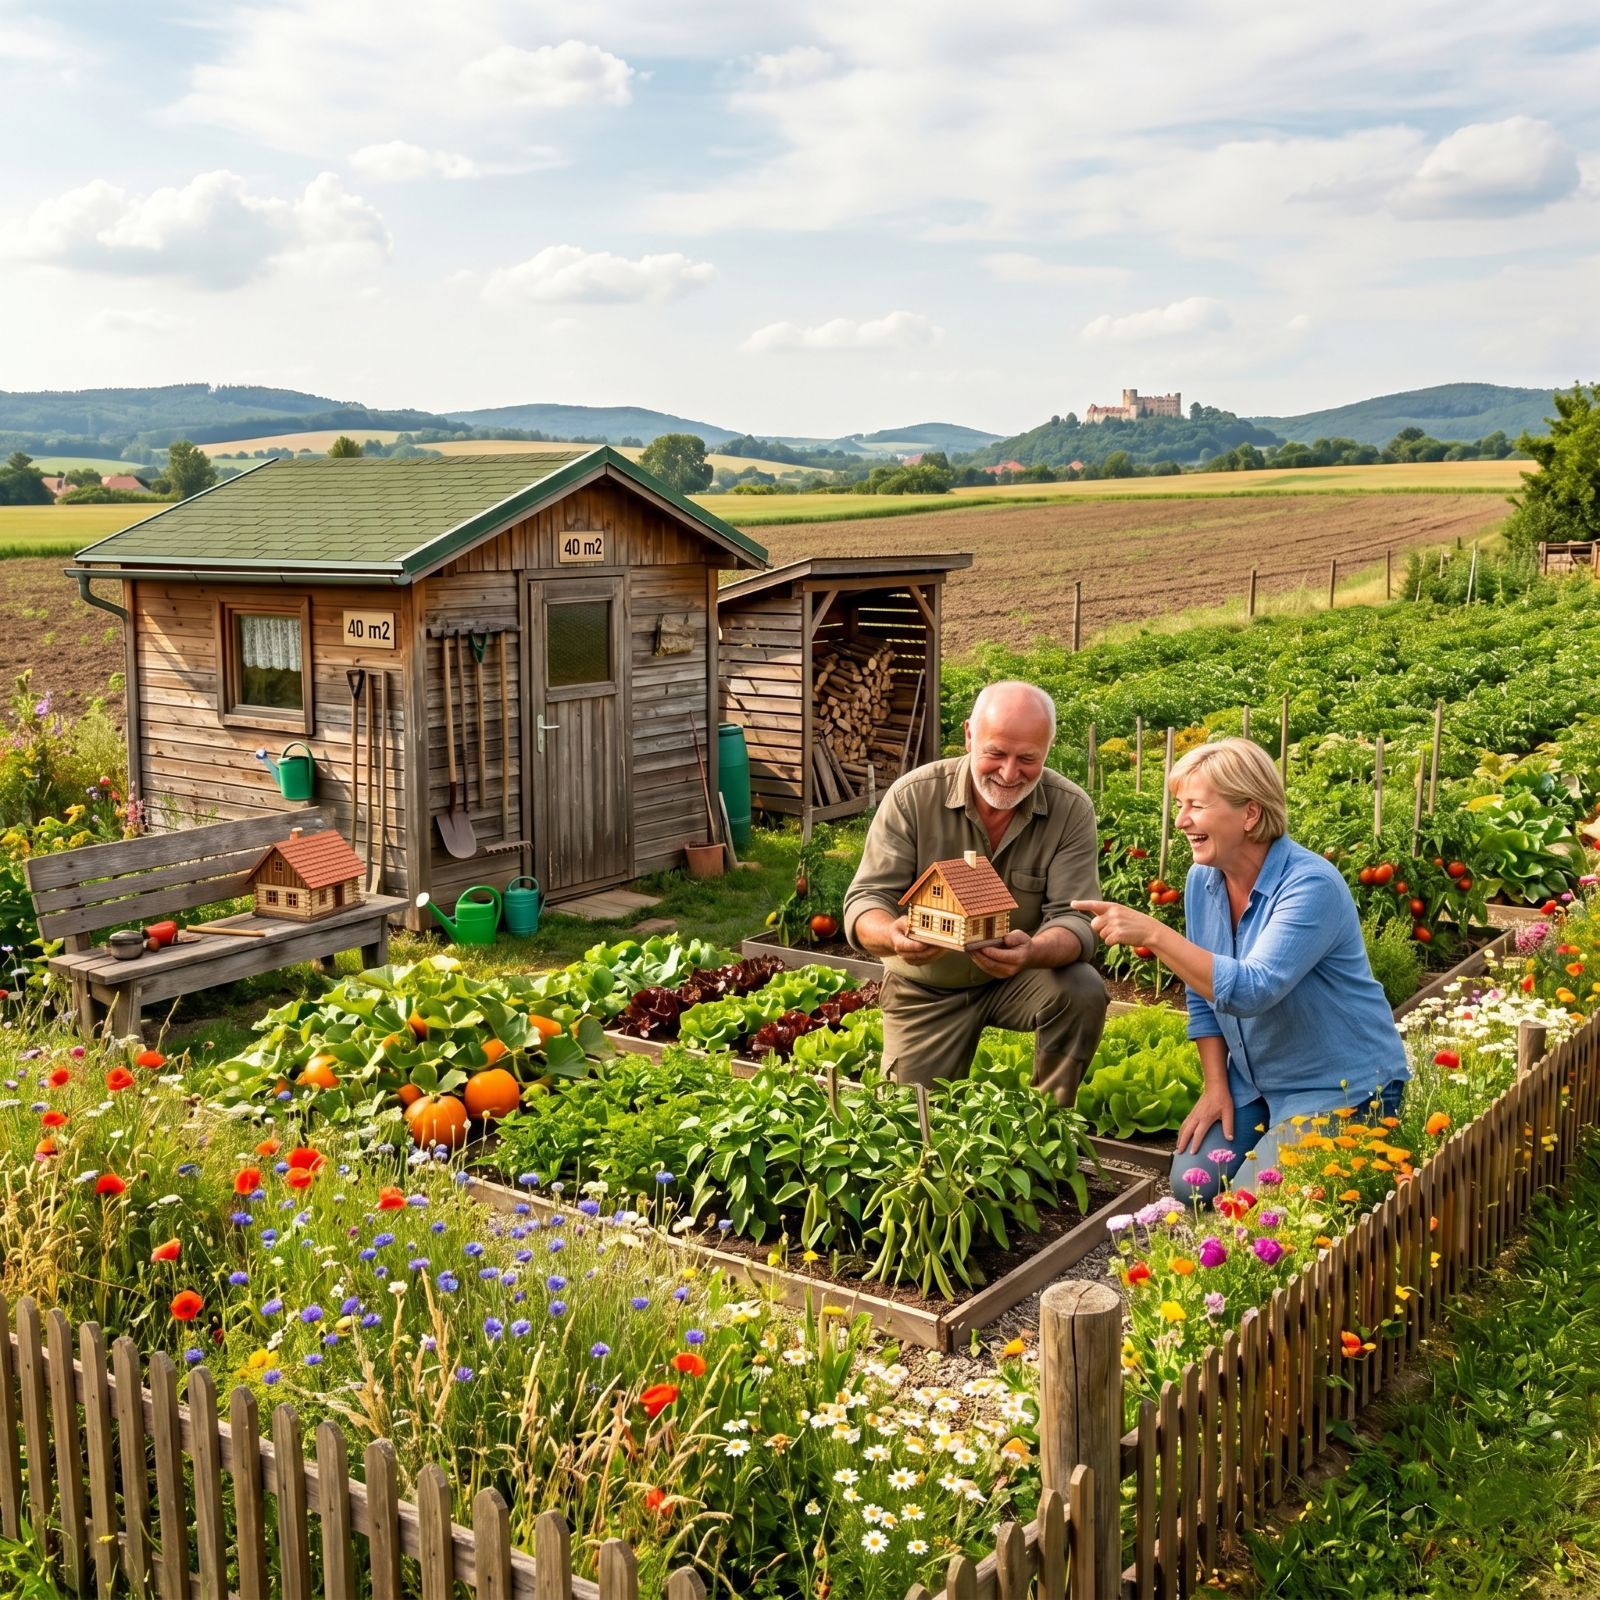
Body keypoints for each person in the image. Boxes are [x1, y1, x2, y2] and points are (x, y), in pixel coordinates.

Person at [1071, 736, 1409, 1203]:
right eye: (1179, 805)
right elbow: (1200, 993)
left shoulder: (1310, 885)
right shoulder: (1203, 879)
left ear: (1249, 814)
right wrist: (1216, 1087)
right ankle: (1271, 1128)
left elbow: (1251, 989)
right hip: (1256, 1081)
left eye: (1195, 806)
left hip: (1338, 1084)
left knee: (1250, 1208)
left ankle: (1349, 1129)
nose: (1182, 820)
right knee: (1193, 1185)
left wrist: (1154, 934)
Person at [843, 680, 1108, 1099]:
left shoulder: (1069, 809)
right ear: (969, 735)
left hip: (1019, 977)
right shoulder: (914, 797)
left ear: (1048, 749)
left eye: (1028, 758)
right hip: (924, 987)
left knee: (1081, 988)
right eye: (995, 754)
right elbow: (866, 900)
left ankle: (1051, 1122)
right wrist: (893, 936)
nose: (1009, 773)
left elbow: (1076, 918)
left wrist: (1032, 952)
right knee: (909, 1126)